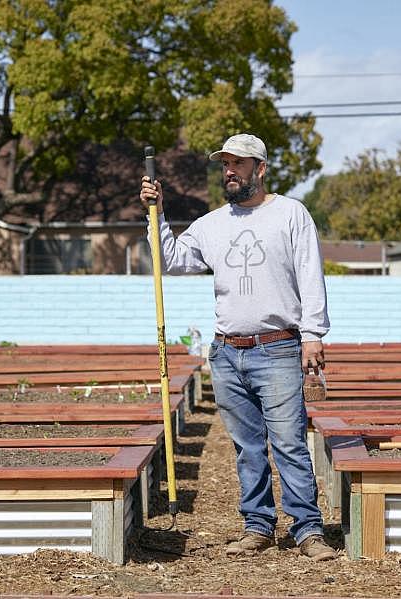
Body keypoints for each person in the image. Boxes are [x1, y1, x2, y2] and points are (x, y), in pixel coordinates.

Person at [139, 133, 335, 561]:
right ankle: (258, 525)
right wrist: (156, 214)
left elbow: (310, 275)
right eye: (225, 164)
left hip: (280, 347)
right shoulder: (211, 224)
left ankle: (308, 530)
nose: (230, 171)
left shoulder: (290, 214)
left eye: (239, 164)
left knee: (288, 443)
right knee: (248, 447)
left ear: (260, 169)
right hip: (227, 352)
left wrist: (313, 334)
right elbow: (171, 260)